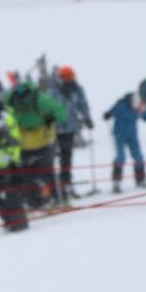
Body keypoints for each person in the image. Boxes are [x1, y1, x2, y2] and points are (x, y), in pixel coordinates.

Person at [8, 79, 67, 208]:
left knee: (40, 173)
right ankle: (40, 200)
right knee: (33, 174)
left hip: (39, 142)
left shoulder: (39, 100)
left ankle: (49, 199)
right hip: (30, 143)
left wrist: (52, 117)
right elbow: (61, 111)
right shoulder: (13, 100)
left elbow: (61, 112)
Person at [48, 65, 94, 199]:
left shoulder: (77, 90)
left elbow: (82, 104)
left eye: (71, 76)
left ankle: (65, 185)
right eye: (68, 77)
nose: (71, 79)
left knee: (66, 158)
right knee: (50, 159)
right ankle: (52, 189)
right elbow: (49, 106)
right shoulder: (54, 91)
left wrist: (87, 118)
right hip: (52, 130)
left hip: (69, 129)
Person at [0, 102, 29, 231]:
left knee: (13, 196)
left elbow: (15, 141)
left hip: (9, 164)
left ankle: (19, 223)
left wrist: (12, 158)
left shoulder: (7, 119)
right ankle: (9, 221)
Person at [102, 87, 146, 193]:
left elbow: (145, 116)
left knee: (138, 156)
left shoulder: (140, 105)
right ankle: (116, 183)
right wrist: (108, 114)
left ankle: (140, 179)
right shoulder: (122, 105)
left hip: (132, 135)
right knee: (120, 157)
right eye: (137, 109)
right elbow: (111, 111)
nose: (138, 111)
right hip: (119, 135)